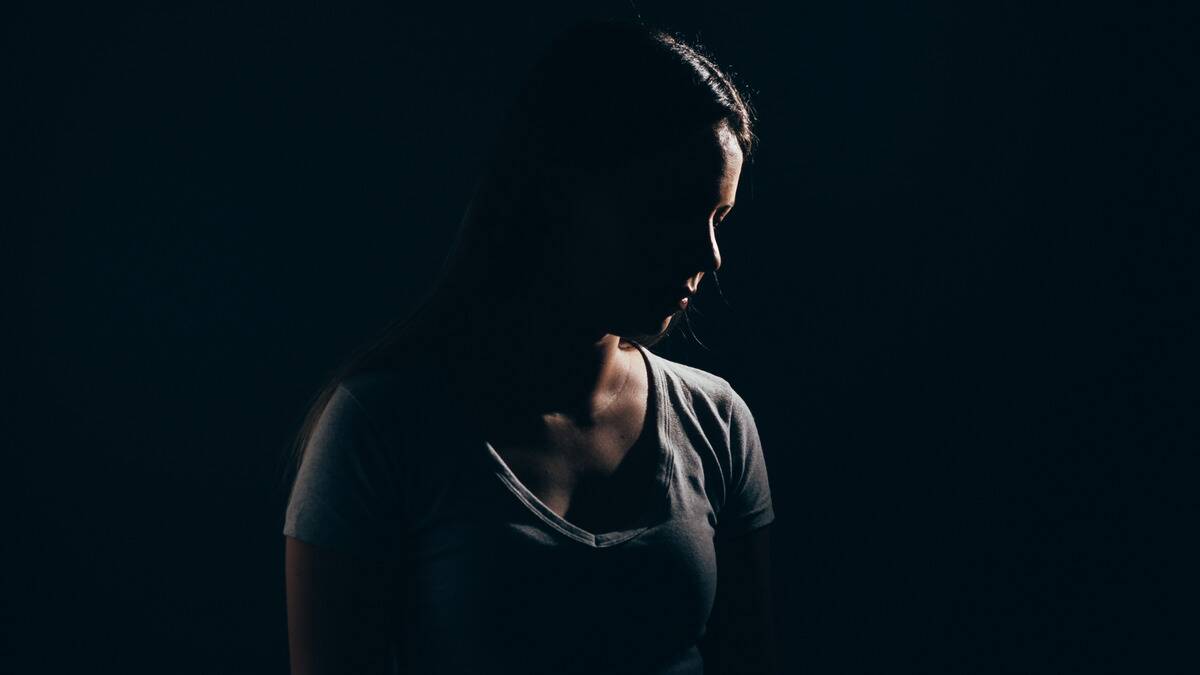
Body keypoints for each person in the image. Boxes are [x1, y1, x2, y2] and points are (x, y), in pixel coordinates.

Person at [282, 17, 777, 675]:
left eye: (719, 218)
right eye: (671, 208)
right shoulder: (382, 427)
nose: (708, 255)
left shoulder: (716, 423)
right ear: (562, 192)